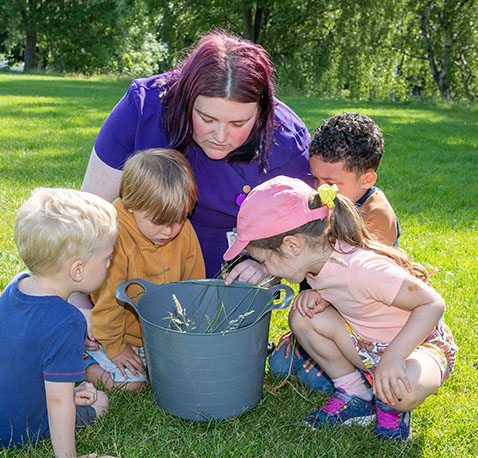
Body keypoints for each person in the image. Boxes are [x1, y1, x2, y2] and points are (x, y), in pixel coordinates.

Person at [223, 176, 457, 441]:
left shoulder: (363, 269)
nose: (266, 269)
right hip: (370, 348)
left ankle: (392, 406)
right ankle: (355, 393)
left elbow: (432, 303)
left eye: (264, 261)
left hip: (417, 347)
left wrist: (395, 357)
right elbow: (350, 296)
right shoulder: (316, 264)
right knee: (303, 316)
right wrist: (322, 297)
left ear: (292, 246)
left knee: (403, 390)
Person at [81, 30, 311, 280]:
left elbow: (310, 238)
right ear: (185, 100)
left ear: (262, 112)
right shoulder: (143, 107)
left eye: (238, 123)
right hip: (133, 273)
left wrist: (267, 267)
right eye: (207, 119)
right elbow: (91, 213)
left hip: (233, 286)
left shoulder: (288, 142)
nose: (220, 136)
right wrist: (79, 295)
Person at [0, 188, 122, 458]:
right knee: (100, 402)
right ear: (77, 270)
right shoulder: (68, 322)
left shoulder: (18, 284)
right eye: (106, 259)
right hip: (9, 429)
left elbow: (14, 348)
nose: (110, 264)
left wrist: (70, 390)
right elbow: (58, 401)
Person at [268, 112, 401, 393]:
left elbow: (364, 288)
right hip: (325, 315)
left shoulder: (376, 216)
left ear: (367, 179)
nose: (319, 190)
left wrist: (323, 299)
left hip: (367, 325)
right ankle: (318, 347)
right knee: (280, 364)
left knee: (311, 377)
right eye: (315, 179)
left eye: (330, 183)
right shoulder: (321, 205)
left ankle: (362, 374)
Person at [84, 148, 206, 391]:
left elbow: (194, 287)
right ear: (131, 205)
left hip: (160, 335)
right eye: (158, 222)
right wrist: (116, 348)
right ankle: (84, 362)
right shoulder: (115, 237)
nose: (168, 231)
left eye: (178, 220)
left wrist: (187, 338)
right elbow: (109, 302)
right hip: (115, 334)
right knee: (134, 385)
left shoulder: (184, 231)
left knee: (194, 374)